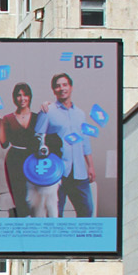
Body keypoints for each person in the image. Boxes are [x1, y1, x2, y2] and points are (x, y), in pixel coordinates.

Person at [39, 72, 98, 217]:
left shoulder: (80, 114)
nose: (62, 88)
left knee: (87, 210)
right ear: (54, 90)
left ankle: (79, 240)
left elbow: (85, 141)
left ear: (71, 87)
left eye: (65, 85)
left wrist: (90, 166)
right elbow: (38, 138)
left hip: (79, 172)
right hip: (57, 172)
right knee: (55, 214)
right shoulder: (47, 111)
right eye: (58, 86)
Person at [0, 82, 44, 217]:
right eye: (19, 95)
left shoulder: (38, 117)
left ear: (30, 97)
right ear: (14, 98)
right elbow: (4, 144)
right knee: (19, 194)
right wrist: (0, 122)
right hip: (15, 158)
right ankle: (23, 224)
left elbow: (44, 138)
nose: (22, 98)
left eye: (25, 95)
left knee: (36, 194)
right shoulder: (8, 118)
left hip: (33, 158)